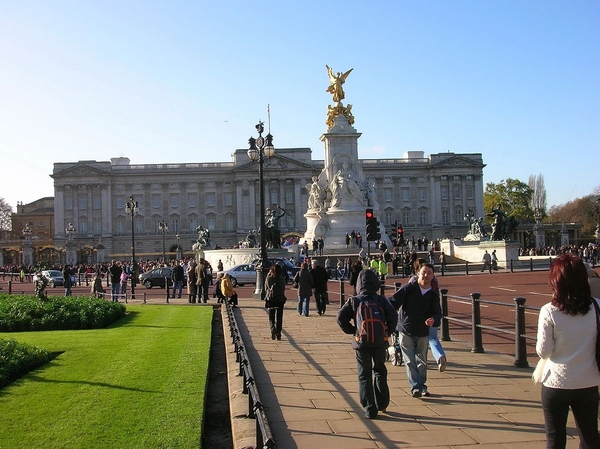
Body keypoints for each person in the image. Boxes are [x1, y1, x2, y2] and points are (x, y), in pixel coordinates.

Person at [536, 254, 600, 448]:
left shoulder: (549, 310)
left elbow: (544, 352)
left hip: (557, 382)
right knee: (590, 437)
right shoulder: (597, 306)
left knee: (555, 438)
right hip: (589, 381)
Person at [337, 269, 398, 419]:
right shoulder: (381, 300)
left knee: (364, 375)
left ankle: (370, 408)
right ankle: (382, 402)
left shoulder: (354, 300)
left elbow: (340, 318)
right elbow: (393, 317)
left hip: (361, 343)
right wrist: (387, 332)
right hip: (379, 342)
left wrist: (353, 331)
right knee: (380, 370)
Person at [390, 263, 442, 398]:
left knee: (422, 360)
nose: (426, 275)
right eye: (424, 272)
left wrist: (433, 320)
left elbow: (437, 313)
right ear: (418, 273)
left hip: (423, 330)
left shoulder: (433, 294)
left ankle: (422, 385)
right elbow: (394, 301)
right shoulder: (409, 288)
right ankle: (415, 387)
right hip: (406, 329)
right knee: (409, 361)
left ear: (433, 275)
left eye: (429, 273)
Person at [409, 259, 447, 373]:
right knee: (433, 337)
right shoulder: (434, 280)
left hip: (420, 316)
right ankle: (440, 356)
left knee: (418, 340)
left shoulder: (413, 280)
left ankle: (419, 363)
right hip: (433, 314)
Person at [265, 264, 287, 340]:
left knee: (271, 317)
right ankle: (278, 333)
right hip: (280, 300)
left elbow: (266, 288)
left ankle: (272, 329)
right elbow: (283, 289)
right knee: (279, 317)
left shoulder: (269, 278)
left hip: (271, 300)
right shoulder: (282, 279)